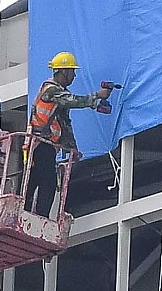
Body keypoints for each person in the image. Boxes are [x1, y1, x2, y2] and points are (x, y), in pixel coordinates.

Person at [21, 51, 113, 215]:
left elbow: (65, 124)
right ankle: (37, 218)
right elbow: (72, 101)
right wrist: (97, 96)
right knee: (47, 183)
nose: (74, 75)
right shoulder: (51, 90)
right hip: (41, 144)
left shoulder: (57, 94)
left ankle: (24, 214)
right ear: (64, 71)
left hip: (43, 145)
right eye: (72, 71)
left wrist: (72, 148)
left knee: (36, 180)